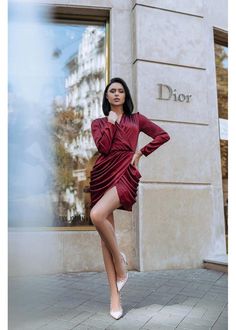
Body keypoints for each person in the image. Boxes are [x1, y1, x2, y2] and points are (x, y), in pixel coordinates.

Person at [89, 77, 170, 319]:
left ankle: (120, 263)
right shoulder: (98, 123)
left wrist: (141, 152)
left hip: (125, 172)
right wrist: (111, 123)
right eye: (111, 91)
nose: (116, 94)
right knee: (105, 236)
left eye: (120, 91)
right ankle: (115, 296)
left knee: (97, 215)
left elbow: (163, 135)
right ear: (106, 96)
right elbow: (103, 148)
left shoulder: (138, 119)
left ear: (125, 96)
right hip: (102, 173)